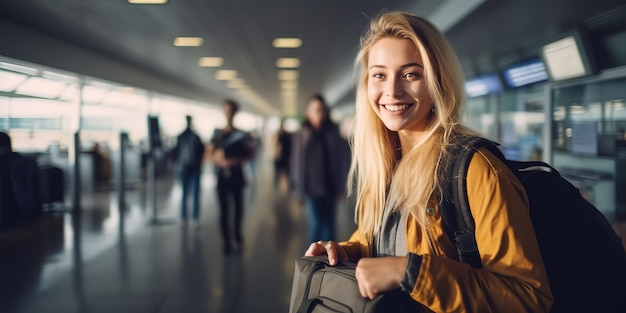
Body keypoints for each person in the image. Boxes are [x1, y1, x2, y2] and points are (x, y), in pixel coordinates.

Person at [303, 11, 554, 312]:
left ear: (437, 81)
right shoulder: (386, 162)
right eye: (379, 75)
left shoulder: (476, 170)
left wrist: (411, 273)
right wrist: (343, 252)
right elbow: (379, 243)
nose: (392, 91)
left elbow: (528, 297)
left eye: (411, 74)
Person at [290, 94, 351, 244]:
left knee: (330, 227)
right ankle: (313, 261)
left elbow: (343, 160)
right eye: (316, 110)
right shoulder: (302, 134)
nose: (320, 114)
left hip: (330, 186)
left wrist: (343, 187)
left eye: (322, 110)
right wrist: (299, 191)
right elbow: (296, 164)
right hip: (311, 188)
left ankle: (331, 262)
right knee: (316, 225)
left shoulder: (334, 133)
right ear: (308, 112)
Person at [207, 99, 255, 254]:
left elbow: (250, 154)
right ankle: (226, 242)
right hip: (222, 177)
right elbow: (209, 154)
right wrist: (219, 161)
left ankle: (237, 235)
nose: (228, 113)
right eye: (226, 110)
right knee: (224, 210)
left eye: (231, 110)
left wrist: (235, 161)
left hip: (237, 176)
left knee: (238, 208)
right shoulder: (217, 133)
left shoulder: (241, 134)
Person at [173, 115, 205, 228]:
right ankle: (188, 218)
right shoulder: (189, 136)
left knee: (190, 193)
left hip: (190, 168)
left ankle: (190, 218)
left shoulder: (183, 136)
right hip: (188, 168)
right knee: (188, 193)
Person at [273, 118, 292, 188]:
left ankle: (287, 185)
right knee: (278, 172)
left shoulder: (287, 135)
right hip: (278, 156)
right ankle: (276, 184)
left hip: (284, 156)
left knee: (286, 172)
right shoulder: (277, 135)